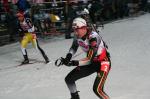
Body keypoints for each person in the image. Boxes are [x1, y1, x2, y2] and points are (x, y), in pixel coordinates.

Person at [60, 17, 111, 99]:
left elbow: (89, 59)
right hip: (92, 63)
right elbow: (74, 47)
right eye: (74, 30)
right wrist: (68, 57)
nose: (75, 32)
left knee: (97, 90)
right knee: (69, 79)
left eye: (77, 29)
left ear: (84, 28)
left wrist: (73, 63)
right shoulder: (78, 36)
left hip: (103, 63)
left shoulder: (93, 38)